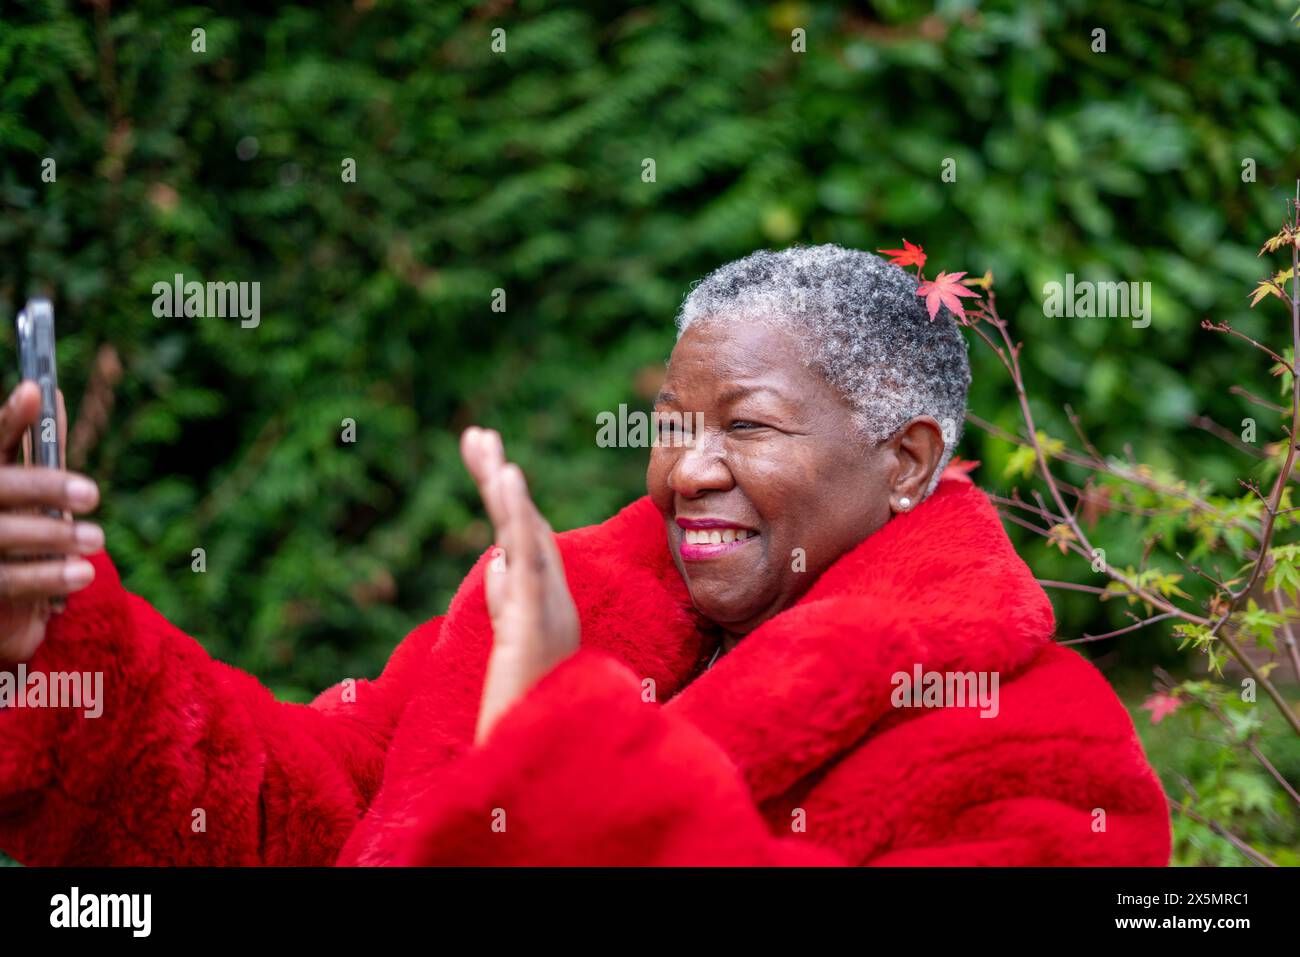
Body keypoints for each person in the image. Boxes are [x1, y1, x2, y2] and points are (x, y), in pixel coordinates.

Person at [0, 245, 1171, 865]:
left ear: (907, 460)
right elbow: (279, 817)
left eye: (745, 426)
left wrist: (565, 757)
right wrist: (52, 645)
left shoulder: (1037, 747)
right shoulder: (547, 611)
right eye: (672, 424)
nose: (684, 471)